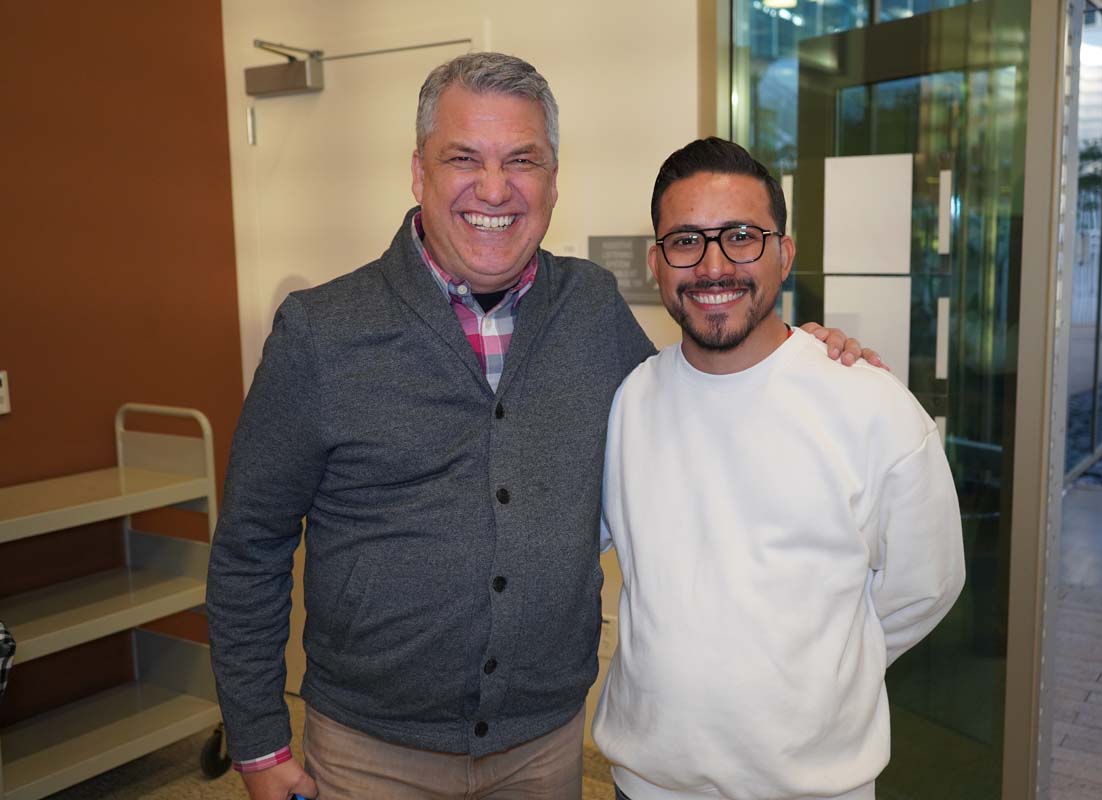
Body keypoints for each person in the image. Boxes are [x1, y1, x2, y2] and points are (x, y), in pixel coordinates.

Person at [206, 54, 878, 800]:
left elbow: (690, 397)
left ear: (553, 181)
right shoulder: (320, 334)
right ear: (418, 172)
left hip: (544, 748)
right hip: (370, 752)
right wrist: (260, 744)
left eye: (522, 160)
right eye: (464, 158)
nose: (494, 189)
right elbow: (249, 546)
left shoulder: (590, 308)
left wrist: (798, 358)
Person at [592, 138, 965, 800]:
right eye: (686, 240)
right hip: (645, 785)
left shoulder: (870, 406)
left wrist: (825, 675)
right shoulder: (629, 402)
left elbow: (924, 587)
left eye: (741, 236)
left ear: (785, 254)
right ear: (657, 262)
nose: (713, 266)